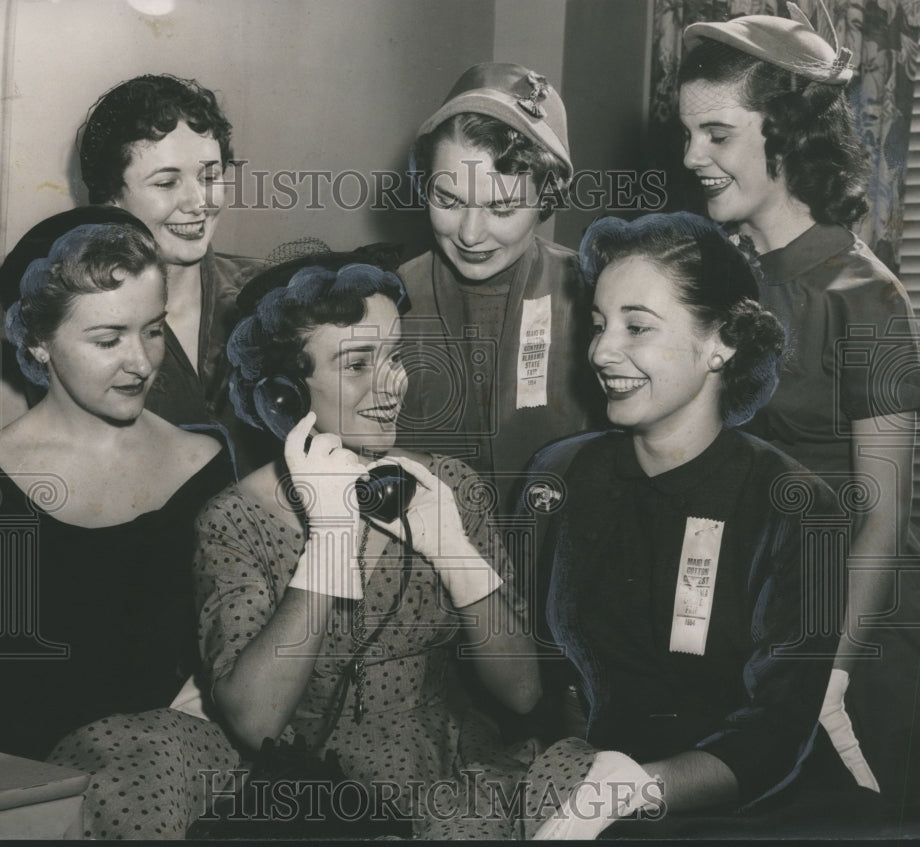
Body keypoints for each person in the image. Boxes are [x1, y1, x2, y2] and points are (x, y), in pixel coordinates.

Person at [517, 213, 858, 839]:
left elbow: (775, 732)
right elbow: (546, 677)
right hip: (581, 791)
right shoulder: (560, 474)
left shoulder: (798, 508)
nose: (600, 350)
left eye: (637, 327)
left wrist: (629, 793)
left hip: (744, 810)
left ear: (721, 342)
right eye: (598, 325)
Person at [193, 259, 542, 838]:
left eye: (395, 356)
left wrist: (453, 551)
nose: (394, 384)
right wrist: (329, 540)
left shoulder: (449, 489)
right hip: (305, 786)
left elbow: (525, 694)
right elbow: (257, 723)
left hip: (441, 769)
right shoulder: (234, 520)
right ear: (282, 397)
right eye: (357, 364)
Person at [0, 218, 238, 836]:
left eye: (151, 331)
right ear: (39, 341)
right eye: (107, 338)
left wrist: (211, 696)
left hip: (185, 764)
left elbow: (233, 644)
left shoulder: (208, 462)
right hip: (37, 772)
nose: (142, 362)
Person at [678, 11, 920, 820]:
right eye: (688, 134)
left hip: (851, 643)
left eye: (717, 134)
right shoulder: (722, 281)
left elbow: (882, 522)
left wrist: (830, 676)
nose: (691, 158)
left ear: (785, 135)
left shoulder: (870, 297)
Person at [0, 74, 269, 473]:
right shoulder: (65, 306)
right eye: (166, 182)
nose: (199, 202)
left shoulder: (268, 294)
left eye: (211, 177)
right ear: (112, 197)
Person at [398, 62, 595, 516]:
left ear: (547, 198)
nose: (469, 233)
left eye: (501, 207)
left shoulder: (592, 298)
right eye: (447, 200)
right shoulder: (385, 300)